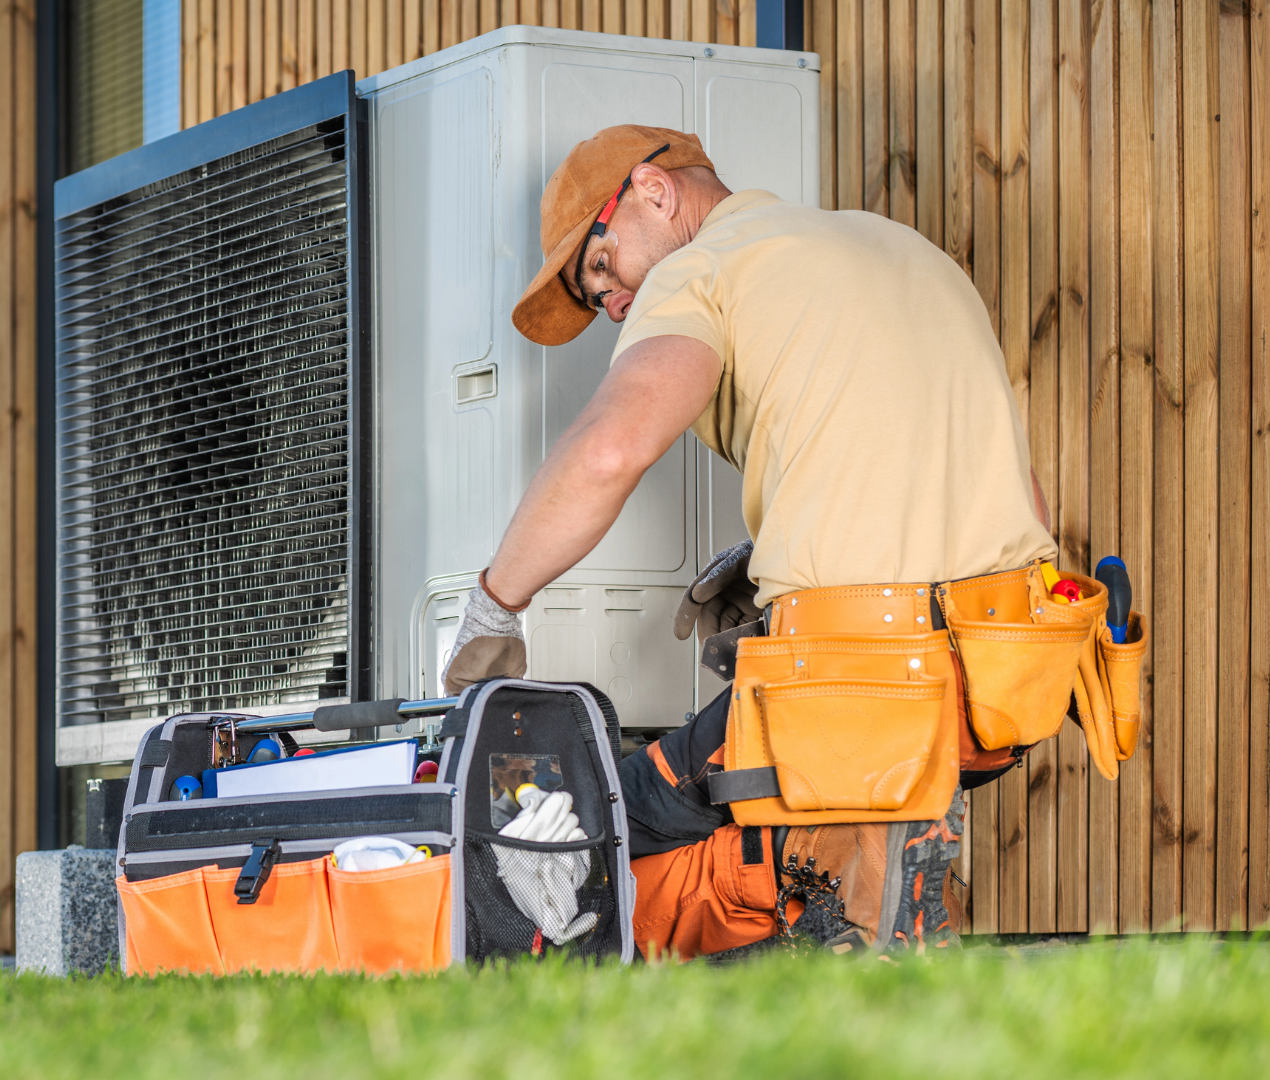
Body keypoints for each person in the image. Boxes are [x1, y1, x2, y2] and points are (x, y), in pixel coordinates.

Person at [441, 125, 1140, 958]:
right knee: (771, 796)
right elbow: (1018, 498)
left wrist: (496, 603)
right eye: (600, 302)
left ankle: (836, 888)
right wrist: (796, 549)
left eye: (602, 268)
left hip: (858, 684)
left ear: (653, 193)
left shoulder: (702, 269)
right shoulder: (902, 248)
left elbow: (608, 450)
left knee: (594, 815)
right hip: (999, 688)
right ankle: (859, 874)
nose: (615, 304)